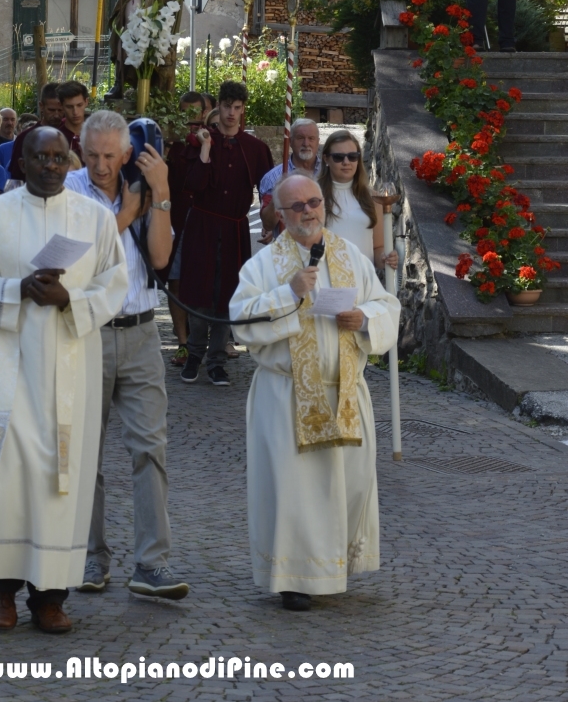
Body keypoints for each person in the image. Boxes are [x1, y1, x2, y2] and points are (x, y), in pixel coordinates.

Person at [0, 126, 128, 634]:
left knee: (62, 476)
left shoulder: (95, 221)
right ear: (22, 162)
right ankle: (1, 591)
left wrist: (70, 299)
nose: (51, 166)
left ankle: (50, 595)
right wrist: (18, 290)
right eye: (41, 157)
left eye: (59, 157)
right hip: (11, 363)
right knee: (7, 474)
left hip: (73, 363)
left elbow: (115, 285)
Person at [229, 172, 400, 611]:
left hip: (344, 390)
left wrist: (362, 318)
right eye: (298, 207)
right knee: (294, 491)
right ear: (280, 214)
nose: (308, 212)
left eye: (314, 203)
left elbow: (386, 305)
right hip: (286, 395)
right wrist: (288, 293)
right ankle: (294, 578)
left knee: (347, 485)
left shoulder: (351, 258)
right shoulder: (263, 266)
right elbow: (240, 320)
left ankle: (336, 565)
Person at [63, 111, 188, 600]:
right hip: (88, 333)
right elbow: (78, 260)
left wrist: (162, 196)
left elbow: (159, 259)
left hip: (139, 333)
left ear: (128, 154)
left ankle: (151, 564)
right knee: (85, 452)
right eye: (92, 154)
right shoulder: (71, 188)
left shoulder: (144, 185)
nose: (99, 165)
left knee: (149, 449)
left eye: (110, 157)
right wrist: (128, 213)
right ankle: (92, 555)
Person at [179, 82, 273, 386]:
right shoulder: (200, 142)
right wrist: (205, 148)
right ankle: (194, 355)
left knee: (227, 296)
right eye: (226, 106)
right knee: (199, 293)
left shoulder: (255, 149)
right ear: (217, 107)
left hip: (234, 227)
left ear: (243, 109)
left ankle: (217, 361)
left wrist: (271, 225)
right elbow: (192, 185)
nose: (231, 113)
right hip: (202, 226)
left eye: (237, 107)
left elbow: (269, 189)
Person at [319, 131, 399, 274]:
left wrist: (385, 258)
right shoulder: (314, 197)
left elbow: (378, 247)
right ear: (326, 159)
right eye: (338, 157)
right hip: (326, 282)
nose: (346, 162)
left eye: (352, 156)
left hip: (363, 283)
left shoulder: (373, 198)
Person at [165, 91, 205, 366]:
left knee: (203, 285)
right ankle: (182, 342)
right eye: (185, 112)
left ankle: (202, 340)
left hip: (204, 224)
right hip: (176, 222)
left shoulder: (211, 141)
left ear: (203, 113)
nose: (190, 118)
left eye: (195, 112)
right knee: (176, 282)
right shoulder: (173, 146)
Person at [259, 118, 321, 239]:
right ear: (291, 142)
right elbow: (268, 224)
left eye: (311, 138)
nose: (306, 143)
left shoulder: (329, 174)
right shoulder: (273, 178)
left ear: (318, 142)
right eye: (300, 138)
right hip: (288, 253)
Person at [2, 84, 63, 178]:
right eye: (51, 110)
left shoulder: (71, 135)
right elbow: (16, 177)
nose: (56, 115)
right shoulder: (25, 138)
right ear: (41, 106)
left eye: (60, 110)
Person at [56, 82, 88, 162]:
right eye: (69, 107)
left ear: (86, 102)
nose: (75, 112)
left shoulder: (96, 136)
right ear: (61, 106)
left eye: (79, 105)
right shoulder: (56, 139)